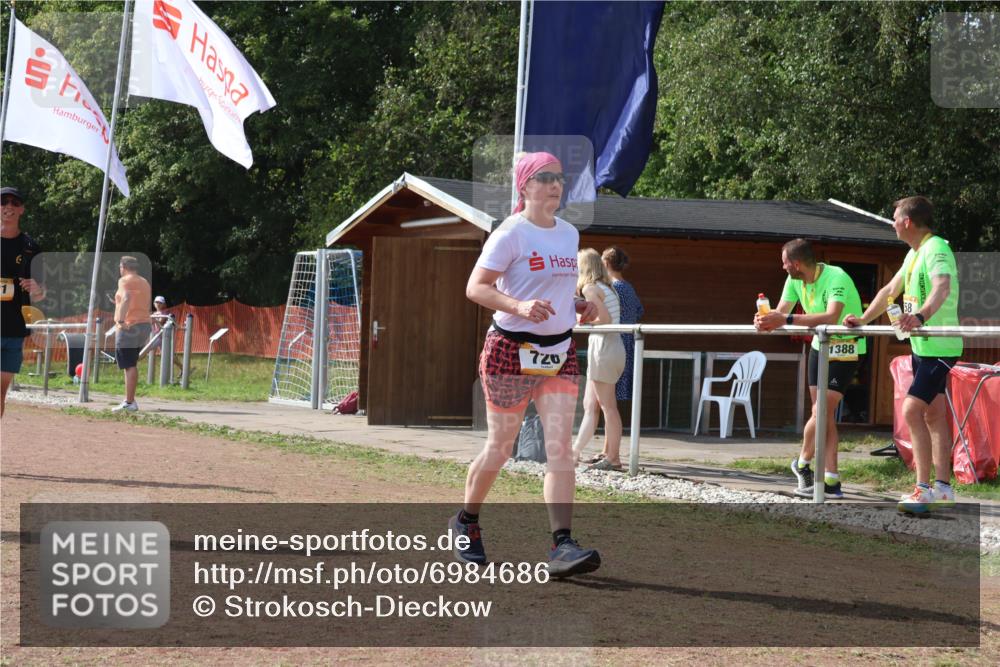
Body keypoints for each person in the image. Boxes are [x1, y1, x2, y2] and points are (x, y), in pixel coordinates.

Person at [453, 151, 601, 578]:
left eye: (559, 177)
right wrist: (518, 304)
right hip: (509, 349)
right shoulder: (510, 233)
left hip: (557, 350)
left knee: (560, 449)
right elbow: (475, 288)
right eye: (545, 177)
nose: (555, 184)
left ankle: (562, 545)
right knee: (501, 447)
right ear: (525, 186)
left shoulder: (569, 234)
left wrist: (575, 305)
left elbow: (553, 290)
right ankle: (466, 521)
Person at [845, 196, 962, 514]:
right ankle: (943, 487)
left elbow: (942, 287)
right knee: (933, 415)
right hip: (922, 348)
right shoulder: (914, 253)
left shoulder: (937, 248)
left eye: (895, 217)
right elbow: (888, 292)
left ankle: (922, 489)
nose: (893, 222)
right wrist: (863, 319)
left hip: (940, 346)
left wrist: (921, 316)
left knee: (911, 410)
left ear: (907, 221)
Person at [755, 239, 866, 499]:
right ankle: (832, 480)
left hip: (847, 348)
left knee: (822, 410)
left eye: (784, 263)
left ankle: (803, 463)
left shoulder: (836, 276)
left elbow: (831, 317)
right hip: (820, 347)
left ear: (796, 263)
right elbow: (781, 312)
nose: (782, 268)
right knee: (822, 415)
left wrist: (785, 319)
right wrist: (766, 320)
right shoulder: (793, 280)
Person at [572, 248, 626, 471]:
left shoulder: (591, 288)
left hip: (604, 346)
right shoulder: (607, 287)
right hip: (609, 347)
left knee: (607, 407)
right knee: (591, 405)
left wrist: (578, 321)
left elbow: (602, 319)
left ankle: (613, 458)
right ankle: (574, 453)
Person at [1, 187, 44, 418]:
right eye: (3, 201)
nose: (8, 206)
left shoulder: (30, 247)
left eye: (14, 203)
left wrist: (38, 289)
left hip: (14, 331)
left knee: (0, 394)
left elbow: (40, 294)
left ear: (22, 209)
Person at [602, 246, 643, 405]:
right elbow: (639, 310)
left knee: (607, 397)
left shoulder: (613, 288)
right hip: (629, 343)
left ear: (605, 263)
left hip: (614, 343)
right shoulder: (628, 287)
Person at [112, 256, 152, 413]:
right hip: (144, 324)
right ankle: (129, 400)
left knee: (128, 364)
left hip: (129, 325)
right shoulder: (144, 282)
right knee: (131, 363)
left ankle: (129, 402)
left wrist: (121, 320)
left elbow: (127, 298)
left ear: (124, 266)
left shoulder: (124, 280)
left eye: (120, 267)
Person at [151, 295, 183, 372]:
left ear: (164, 304)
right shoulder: (155, 313)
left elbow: (161, 321)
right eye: (156, 302)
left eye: (160, 302)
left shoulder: (165, 313)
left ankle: (183, 369)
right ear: (154, 303)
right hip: (157, 336)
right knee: (169, 355)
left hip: (163, 337)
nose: (158, 304)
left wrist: (154, 319)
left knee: (169, 355)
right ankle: (183, 369)